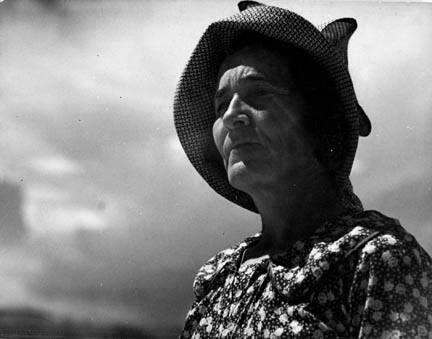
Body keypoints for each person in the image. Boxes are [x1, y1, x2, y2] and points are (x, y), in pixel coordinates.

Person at [174, 2, 432, 338]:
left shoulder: (376, 259)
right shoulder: (217, 279)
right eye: (221, 105)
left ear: (318, 121)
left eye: (260, 93)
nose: (230, 116)